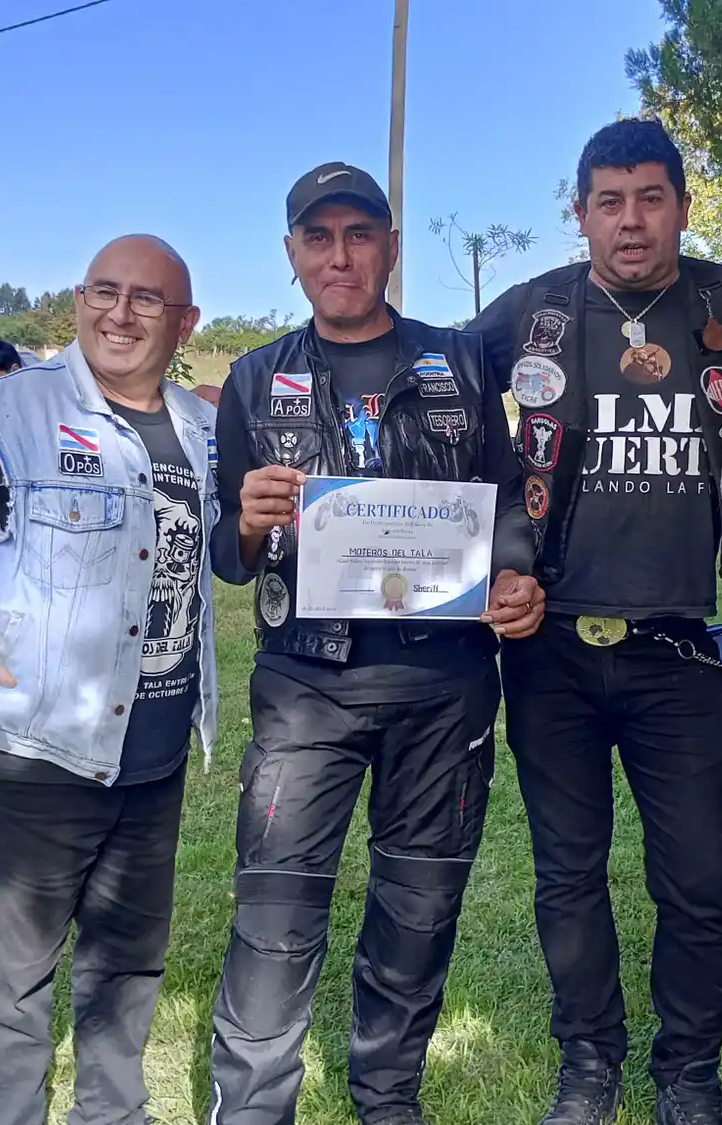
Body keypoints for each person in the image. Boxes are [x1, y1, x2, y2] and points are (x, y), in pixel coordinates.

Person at [464, 118, 722, 1125]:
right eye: (609, 201)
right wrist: (498, 550)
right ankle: (589, 1066)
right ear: (579, 212)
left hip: (678, 649)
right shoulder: (532, 310)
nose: (631, 221)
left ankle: (688, 1072)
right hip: (551, 655)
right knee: (568, 877)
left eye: (651, 197)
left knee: (702, 881)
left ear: (681, 203)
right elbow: (444, 399)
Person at [206, 161, 544, 1125]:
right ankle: (254, 1106)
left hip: (444, 687)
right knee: (275, 916)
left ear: (392, 248)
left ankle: (388, 1096)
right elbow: (235, 558)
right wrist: (248, 519)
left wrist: (515, 580)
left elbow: (506, 500)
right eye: (320, 238)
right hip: (305, 687)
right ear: (292, 256)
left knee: (418, 909)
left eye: (361, 235)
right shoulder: (252, 378)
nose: (341, 255)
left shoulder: (459, 363)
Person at [0, 235, 218, 1125]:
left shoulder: (204, 429)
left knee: (129, 962)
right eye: (103, 292)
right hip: (34, 750)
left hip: (154, 753)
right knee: (16, 983)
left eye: (147, 299)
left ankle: (114, 1114)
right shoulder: (9, 413)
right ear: (76, 301)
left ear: (186, 323)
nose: (120, 312)